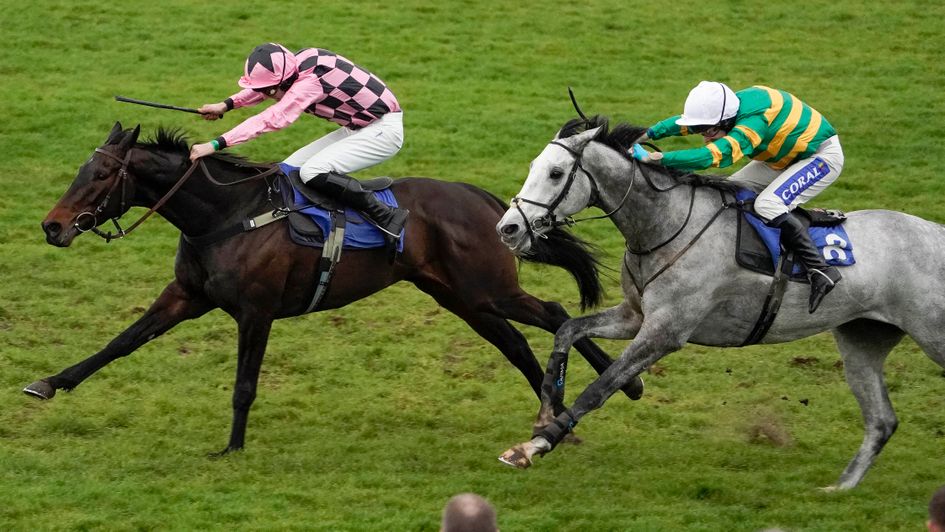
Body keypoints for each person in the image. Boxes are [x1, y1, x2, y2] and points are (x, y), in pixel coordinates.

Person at [633, 81, 844, 313]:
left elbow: (712, 156)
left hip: (820, 157)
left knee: (768, 204)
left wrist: (656, 159)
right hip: (782, 159)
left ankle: (821, 270)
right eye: (703, 131)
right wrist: (645, 134)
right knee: (728, 192)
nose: (706, 137)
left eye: (709, 132)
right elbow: (687, 125)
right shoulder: (725, 111)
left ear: (726, 122)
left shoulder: (752, 124)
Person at [189, 42, 407, 241]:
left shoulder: (310, 83)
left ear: (283, 81)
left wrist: (215, 144)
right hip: (359, 128)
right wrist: (226, 105)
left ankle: (386, 215)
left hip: (383, 132)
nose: (266, 95)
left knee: (312, 171)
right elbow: (264, 89)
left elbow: (272, 119)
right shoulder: (296, 64)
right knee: (287, 170)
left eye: (268, 91)